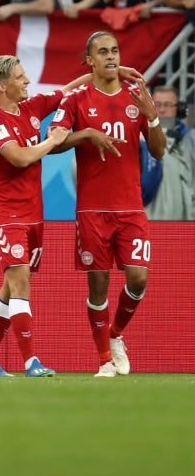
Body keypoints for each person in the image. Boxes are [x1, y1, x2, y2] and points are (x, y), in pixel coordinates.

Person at [51, 32, 166, 377]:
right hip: (92, 210)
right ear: (89, 60)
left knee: (138, 279)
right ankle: (104, 358)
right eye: (102, 52)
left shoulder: (137, 97)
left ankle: (115, 334)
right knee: (97, 286)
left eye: (115, 50)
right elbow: (53, 144)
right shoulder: (76, 100)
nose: (111, 57)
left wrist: (154, 117)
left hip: (130, 207)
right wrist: (85, 134)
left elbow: (159, 151)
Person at [0, 55, 95, 378]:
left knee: (11, 286)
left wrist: (110, 71)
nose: (27, 81)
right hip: (4, 211)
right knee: (21, 279)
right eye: (20, 77)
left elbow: (67, 91)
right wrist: (53, 140)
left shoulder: (30, 108)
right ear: (2, 86)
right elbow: (20, 158)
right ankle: (31, 362)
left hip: (32, 211)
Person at [144, 86, 195, 222]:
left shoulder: (190, 140)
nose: (161, 110)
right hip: (147, 219)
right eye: (157, 105)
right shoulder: (138, 138)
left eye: (167, 105)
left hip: (182, 221)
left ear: (179, 109)